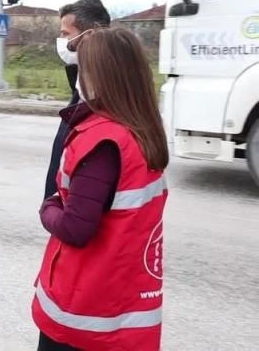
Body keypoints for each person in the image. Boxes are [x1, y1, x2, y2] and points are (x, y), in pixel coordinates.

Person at [31, 28, 169, 351]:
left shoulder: (103, 142)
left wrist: (48, 206)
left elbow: (75, 228)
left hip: (82, 314)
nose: (79, 77)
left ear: (101, 77)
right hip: (122, 300)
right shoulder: (142, 130)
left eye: (84, 68)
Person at [44, 0, 111, 201]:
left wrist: (54, 208)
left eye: (66, 34)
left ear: (89, 35)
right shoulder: (82, 80)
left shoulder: (107, 93)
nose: (62, 41)